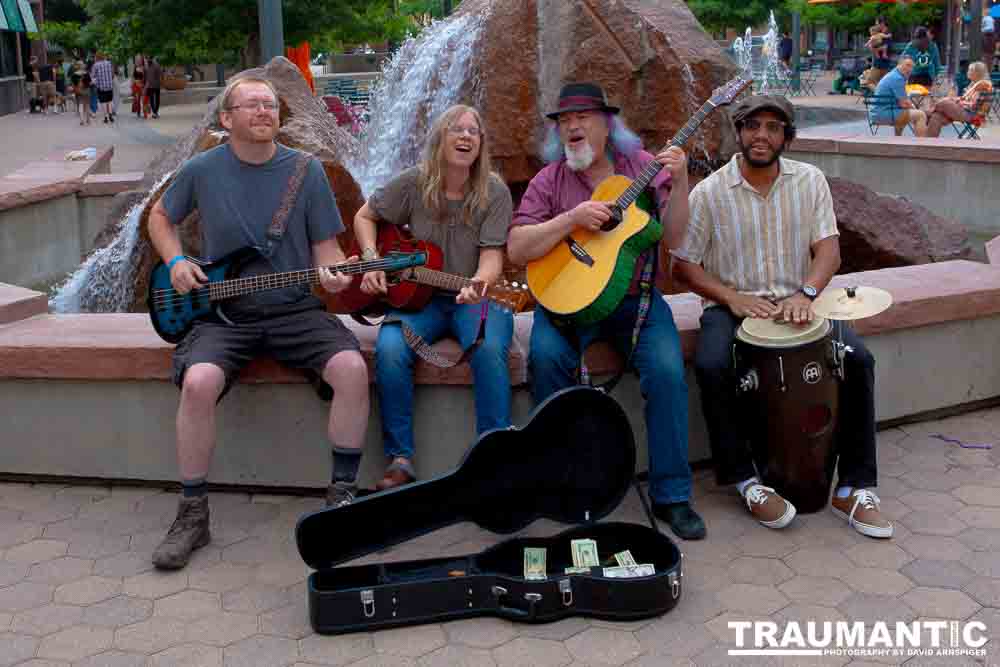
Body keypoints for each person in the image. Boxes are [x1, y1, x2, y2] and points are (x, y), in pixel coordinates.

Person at [146, 77, 371, 569]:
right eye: (252, 104)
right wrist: (176, 261)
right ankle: (193, 513)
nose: (264, 110)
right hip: (225, 314)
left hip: (295, 310)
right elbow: (160, 217)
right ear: (227, 119)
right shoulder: (203, 169)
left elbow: (327, 254)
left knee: (352, 370)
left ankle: (343, 496)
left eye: (270, 104)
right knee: (199, 382)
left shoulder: (307, 173)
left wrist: (336, 279)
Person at [672, 95, 892, 540]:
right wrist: (730, 297)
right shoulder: (710, 192)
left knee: (859, 359)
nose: (762, 135)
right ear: (739, 133)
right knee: (713, 365)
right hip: (734, 307)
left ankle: (853, 486)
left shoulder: (809, 181)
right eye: (753, 126)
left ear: (786, 137)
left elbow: (828, 251)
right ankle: (745, 481)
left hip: (800, 306)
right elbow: (684, 267)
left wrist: (806, 292)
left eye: (773, 127)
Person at [507, 83, 705, 540]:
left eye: (583, 117)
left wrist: (682, 184)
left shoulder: (642, 167)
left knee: (667, 370)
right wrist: (570, 219)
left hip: (635, 300)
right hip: (564, 301)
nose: (572, 126)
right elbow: (518, 248)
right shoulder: (549, 180)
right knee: (545, 361)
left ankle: (672, 496)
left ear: (608, 125)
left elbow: (673, 239)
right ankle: (565, 487)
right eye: (564, 120)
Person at [353, 104, 514, 491]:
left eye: (473, 131)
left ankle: (492, 456)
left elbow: (493, 257)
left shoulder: (494, 191)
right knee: (391, 345)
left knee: (488, 347)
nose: (465, 137)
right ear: (439, 139)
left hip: (472, 296)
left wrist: (478, 283)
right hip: (418, 299)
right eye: (455, 129)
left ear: (481, 144)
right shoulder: (412, 183)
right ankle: (400, 459)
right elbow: (364, 216)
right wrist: (373, 261)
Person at [926, 61, 994, 137]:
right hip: (965, 111)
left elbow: (973, 106)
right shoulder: (973, 83)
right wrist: (954, 100)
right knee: (936, 117)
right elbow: (964, 99)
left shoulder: (983, 85)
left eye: (970, 70)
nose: (967, 72)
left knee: (945, 103)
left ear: (978, 73)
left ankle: (927, 114)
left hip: (973, 116)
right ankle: (928, 144)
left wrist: (957, 102)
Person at [870, 56, 927, 136]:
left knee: (906, 112)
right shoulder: (898, 78)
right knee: (921, 115)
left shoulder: (892, 74)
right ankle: (922, 144)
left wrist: (910, 107)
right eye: (907, 65)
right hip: (883, 114)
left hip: (876, 113)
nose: (910, 69)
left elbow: (902, 103)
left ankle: (898, 139)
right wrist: (915, 108)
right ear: (899, 64)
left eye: (912, 67)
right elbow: (904, 103)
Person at [91, 52, 116, 123]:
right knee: (110, 101)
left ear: (97, 57)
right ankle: (110, 115)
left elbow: (92, 76)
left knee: (103, 102)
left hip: (101, 87)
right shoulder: (109, 63)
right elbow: (113, 74)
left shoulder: (95, 65)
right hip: (110, 86)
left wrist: (95, 83)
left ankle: (105, 117)